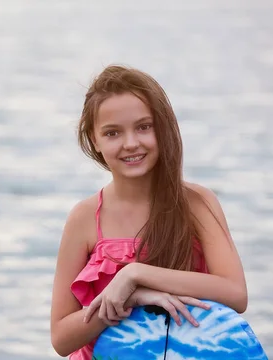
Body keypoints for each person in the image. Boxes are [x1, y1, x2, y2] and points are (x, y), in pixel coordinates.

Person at [49, 65, 248, 359]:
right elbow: (61, 339)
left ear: (162, 127)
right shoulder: (84, 218)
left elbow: (235, 293)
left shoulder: (197, 203)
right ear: (95, 141)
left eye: (144, 126)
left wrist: (135, 274)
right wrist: (129, 299)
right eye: (113, 132)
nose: (131, 143)